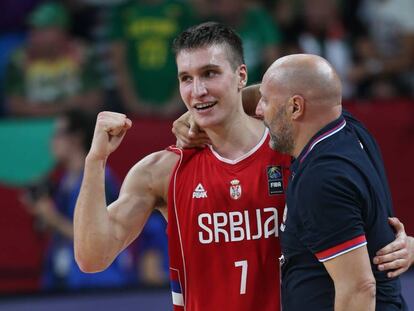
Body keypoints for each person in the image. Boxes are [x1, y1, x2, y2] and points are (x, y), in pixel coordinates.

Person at [74, 22, 290, 310]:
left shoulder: (292, 150)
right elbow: (92, 257)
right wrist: (95, 160)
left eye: (209, 73)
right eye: (186, 78)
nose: (198, 90)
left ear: (241, 76)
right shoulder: (161, 171)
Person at [255, 53, 407, 310]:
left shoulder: (322, 179)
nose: (258, 110)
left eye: (265, 101)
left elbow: (359, 289)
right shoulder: (347, 126)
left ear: (295, 107)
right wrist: (200, 112)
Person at [24, 109, 134, 290]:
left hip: (99, 283)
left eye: (58, 134)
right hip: (64, 279)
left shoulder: (100, 179)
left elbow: (96, 237)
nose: (51, 142)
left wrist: (52, 218)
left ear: (76, 137)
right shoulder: (64, 181)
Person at [4, 2, 102, 117]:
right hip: (31, 127)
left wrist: (41, 109)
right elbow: (14, 106)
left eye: (42, 30)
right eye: (32, 29)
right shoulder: (19, 59)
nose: (33, 35)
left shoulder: (84, 55)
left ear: (61, 31)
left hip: (76, 125)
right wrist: (66, 107)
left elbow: (94, 102)